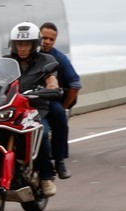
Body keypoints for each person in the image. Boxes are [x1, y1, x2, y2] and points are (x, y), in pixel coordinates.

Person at [5, 22, 60, 197]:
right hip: (10, 109)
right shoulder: (6, 61)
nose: (22, 48)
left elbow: (51, 78)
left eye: (26, 44)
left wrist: (51, 86)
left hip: (34, 110)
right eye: (19, 44)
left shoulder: (46, 61)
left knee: (41, 133)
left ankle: (45, 177)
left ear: (34, 45)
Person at [40, 22, 82, 179]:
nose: (47, 42)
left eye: (51, 39)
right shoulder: (28, 53)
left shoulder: (59, 58)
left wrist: (64, 106)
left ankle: (59, 161)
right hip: (26, 100)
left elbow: (75, 84)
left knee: (59, 115)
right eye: (44, 38)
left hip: (49, 100)